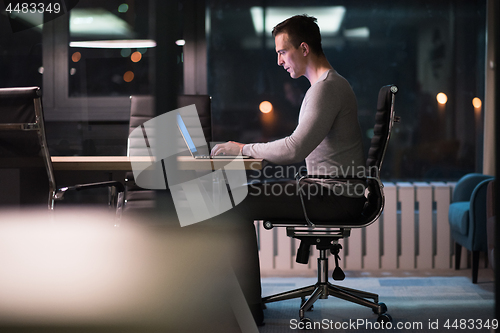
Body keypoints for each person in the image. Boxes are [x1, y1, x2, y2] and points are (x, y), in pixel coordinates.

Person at [210, 14, 367, 326]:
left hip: (331, 196)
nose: (280, 61)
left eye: (283, 52)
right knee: (233, 193)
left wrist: (242, 149)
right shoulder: (325, 87)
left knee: (230, 198)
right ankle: (243, 300)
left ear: (304, 48)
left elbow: (295, 148)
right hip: (328, 191)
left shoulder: (326, 89)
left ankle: (245, 306)